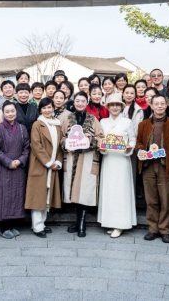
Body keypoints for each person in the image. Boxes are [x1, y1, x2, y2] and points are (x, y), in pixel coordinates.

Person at [136, 94, 169, 243]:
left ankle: (164, 230)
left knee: (165, 200)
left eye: (162, 103)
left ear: (166, 105)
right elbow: (138, 142)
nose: (160, 106)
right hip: (148, 165)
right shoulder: (143, 124)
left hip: (166, 166)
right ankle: (153, 229)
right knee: (151, 200)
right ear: (151, 106)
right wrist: (141, 150)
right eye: (156, 104)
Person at [61, 92, 104, 237]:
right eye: (77, 101)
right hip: (71, 157)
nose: (80, 103)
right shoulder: (68, 118)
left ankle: (81, 223)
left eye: (83, 101)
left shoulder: (93, 119)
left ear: (87, 102)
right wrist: (65, 144)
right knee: (73, 190)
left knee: (85, 191)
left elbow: (101, 137)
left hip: (87, 158)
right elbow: (61, 137)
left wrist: (91, 140)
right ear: (74, 102)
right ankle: (77, 221)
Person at [98, 94, 137, 238]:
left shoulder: (127, 122)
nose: (114, 107)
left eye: (117, 105)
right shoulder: (103, 122)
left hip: (122, 160)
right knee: (109, 191)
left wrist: (129, 147)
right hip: (108, 159)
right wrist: (101, 147)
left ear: (121, 107)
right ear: (108, 107)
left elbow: (132, 139)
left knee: (121, 191)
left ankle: (121, 224)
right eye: (112, 105)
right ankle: (110, 222)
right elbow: (101, 139)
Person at [0, 101, 30, 239]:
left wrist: (20, 160)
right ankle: (3, 227)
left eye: (12, 111)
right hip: (2, 168)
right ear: (3, 113)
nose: (10, 114)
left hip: (18, 167)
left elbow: (26, 148)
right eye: (7, 111)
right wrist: (8, 162)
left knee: (16, 196)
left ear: (16, 112)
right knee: (3, 196)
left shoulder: (22, 129)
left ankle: (12, 224)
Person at [24, 98, 63, 238]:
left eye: (49, 107)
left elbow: (60, 146)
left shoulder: (57, 125)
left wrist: (58, 161)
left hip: (52, 165)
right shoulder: (37, 124)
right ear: (40, 110)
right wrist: (48, 162)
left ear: (53, 108)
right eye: (44, 108)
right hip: (40, 164)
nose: (47, 110)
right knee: (37, 196)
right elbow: (36, 145)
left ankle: (43, 223)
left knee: (47, 195)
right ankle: (37, 226)